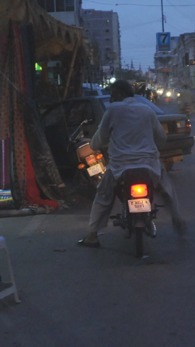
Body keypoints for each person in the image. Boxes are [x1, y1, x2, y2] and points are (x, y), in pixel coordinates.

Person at [78, 80, 185, 248]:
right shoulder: (147, 110)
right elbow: (161, 138)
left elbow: (100, 137)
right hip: (149, 163)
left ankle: (92, 235)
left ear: (120, 94)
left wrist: (93, 145)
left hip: (120, 165)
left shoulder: (113, 110)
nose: (112, 98)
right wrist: (152, 149)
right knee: (166, 187)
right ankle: (177, 217)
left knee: (103, 195)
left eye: (113, 94)